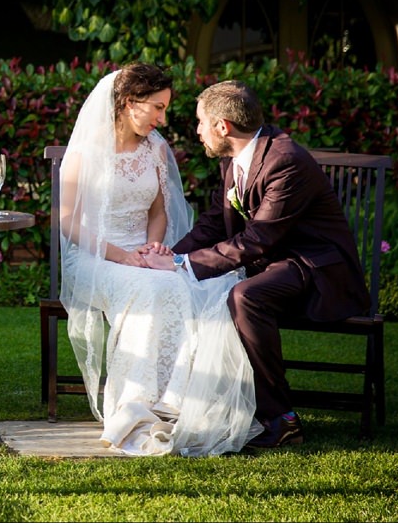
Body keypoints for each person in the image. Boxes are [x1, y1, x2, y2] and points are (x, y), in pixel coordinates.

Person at [143, 79, 369, 448]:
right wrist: (170, 256)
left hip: (316, 268)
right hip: (276, 264)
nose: (197, 130)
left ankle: (282, 419)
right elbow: (215, 222)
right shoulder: (236, 159)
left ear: (223, 127)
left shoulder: (285, 161)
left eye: (201, 122)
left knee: (244, 296)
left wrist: (183, 264)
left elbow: (257, 240)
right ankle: (194, 400)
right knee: (208, 287)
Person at [59, 64, 261, 456]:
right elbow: (66, 220)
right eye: (157, 107)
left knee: (188, 283)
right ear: (128, 103)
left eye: (164, 109)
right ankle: (136, 407)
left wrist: (152, 248)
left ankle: (179, 404)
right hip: (93, 256)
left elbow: (158, 213)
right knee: (149, 288)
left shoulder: (155, 148)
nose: (162, 118)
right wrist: (121, 256)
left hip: (140, 254)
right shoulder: (85, 150)